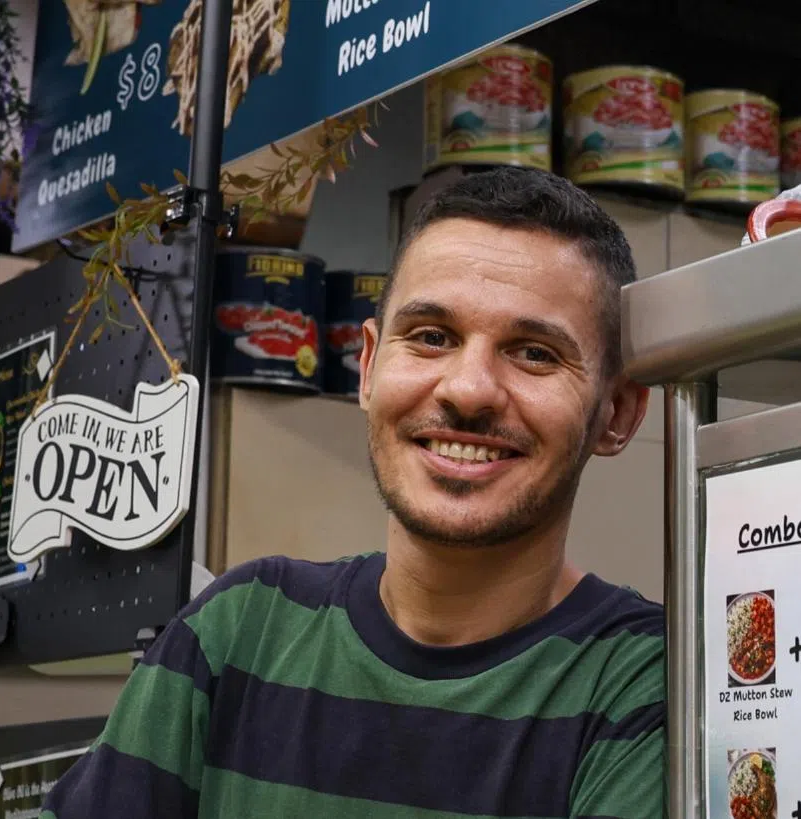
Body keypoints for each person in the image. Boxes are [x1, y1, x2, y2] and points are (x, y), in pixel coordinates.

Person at [42, 167, 664, 819]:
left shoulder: (648, 686)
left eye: (534, 352)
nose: (468, 388)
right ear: (368, 368)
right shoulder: (239, 631)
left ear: (616, 412)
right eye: (431, 337)